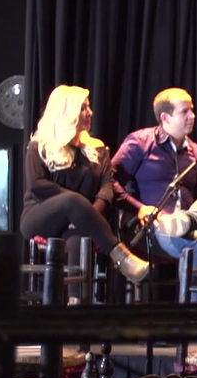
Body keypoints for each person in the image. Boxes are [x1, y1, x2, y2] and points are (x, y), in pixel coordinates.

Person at [111, 88, 197, 297]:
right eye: (185, 111)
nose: (192, 116)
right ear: (165, 117)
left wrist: (193, 212)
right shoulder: (140, 143)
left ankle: (185, 219)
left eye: (192, 110)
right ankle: (195, 315)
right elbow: (110, 182)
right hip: (151, 228)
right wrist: (140, 209)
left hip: (188, 222)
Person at [20, 85, 150, 284]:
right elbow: (38, 185)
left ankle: (75, 302)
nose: (90, 112)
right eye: (83, 108)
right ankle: (122, 257)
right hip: (40, 216)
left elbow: (107, 189)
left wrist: (87, 214)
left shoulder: (97, 149)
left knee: (78, 235)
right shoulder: (40, 146)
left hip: (83, 221)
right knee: (73, 201)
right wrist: (76, 205)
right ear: (66, 112)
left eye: (88, 107)